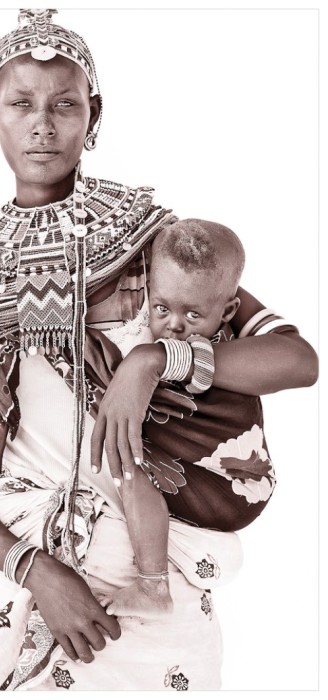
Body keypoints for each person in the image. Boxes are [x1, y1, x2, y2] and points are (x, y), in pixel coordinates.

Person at [0, 9, 318, 691]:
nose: (43, 124)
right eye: (21, 104)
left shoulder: (153, 245)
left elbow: (297, 361)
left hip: (153, 589)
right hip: (29, 586)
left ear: (93, 114)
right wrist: (36, 572)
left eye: (65, 104)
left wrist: (155, 361)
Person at [94, 217, 279, 619]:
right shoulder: (191, 318)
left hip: (229, 483)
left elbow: (200, 377)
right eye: (161, 308)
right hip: (230, 486)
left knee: (128, 464)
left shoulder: (201, 351)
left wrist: (148, 360)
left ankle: (152, 587)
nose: (174, 325)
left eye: (193, 315)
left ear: (228, 310)